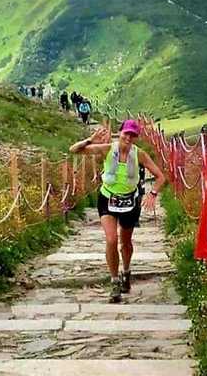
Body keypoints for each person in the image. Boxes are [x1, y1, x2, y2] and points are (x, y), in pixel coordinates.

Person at [69, 120, 165, 303]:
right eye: (126, 133)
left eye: (132, 135)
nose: (128, 138)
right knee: (111, 239)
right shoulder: (107, 149)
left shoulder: (140, 155)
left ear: (135, 138)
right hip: (108, 199)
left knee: (125, 243)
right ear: (119, 133)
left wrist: (152, 193)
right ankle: (114, 281)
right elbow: (74, 150)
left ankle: (126, 271)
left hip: (130, 201)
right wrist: (90, 139)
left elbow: (160, 177)